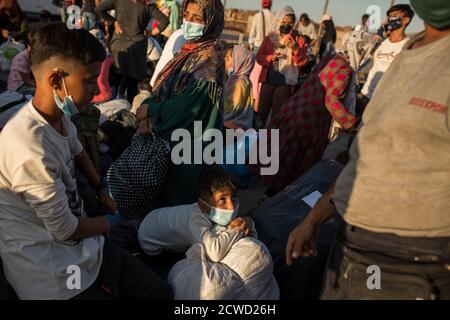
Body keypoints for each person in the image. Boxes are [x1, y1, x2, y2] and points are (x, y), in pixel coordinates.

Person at [286, 0, 450, 300]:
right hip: (349, 247)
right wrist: (314, 218)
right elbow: (367, 155)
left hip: (411, 263)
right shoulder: (406, 54)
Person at [0, 23, 170, 300]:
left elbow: (78, 150)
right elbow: (66, 230)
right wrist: (112, 221)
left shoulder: (59, 117)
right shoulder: (28, 147)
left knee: (159, 292)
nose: (96, 90)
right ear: (57, 80)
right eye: (89, 80)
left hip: (86, 245)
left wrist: (100, 187)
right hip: (53, 274)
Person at [136, 0, 225, 207]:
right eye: (187, 16)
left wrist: (151, 110)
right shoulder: (189, 51)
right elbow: (166, 86)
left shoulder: (210, 58)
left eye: (197, 18)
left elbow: (189, 108)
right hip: (174, 140)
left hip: (190, 145)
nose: (189, 22)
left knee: (178, 204)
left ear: (211, 21)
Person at [254, 39, 367, 198]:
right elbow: (331, 101)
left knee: (280, 160)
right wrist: (351, 125)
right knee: (293, 166)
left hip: (296, 108)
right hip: (310, 120)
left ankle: (268, 197)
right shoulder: (344, 68)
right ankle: (275, 204)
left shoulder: (332, 59)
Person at [138, 165, 254, 260]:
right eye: (222, 200)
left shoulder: (209, 212)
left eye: (233, 198)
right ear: (203, 205)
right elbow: (214, 253)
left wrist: (247, 221)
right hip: (148, 241)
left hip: (155, 217)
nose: (231, 207)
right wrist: (237, 229)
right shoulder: (195, 220)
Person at [96, 0, 169, 103]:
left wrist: (113, 21)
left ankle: (116, 104)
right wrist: (151, 32)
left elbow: (99, 9)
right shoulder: (147, 6)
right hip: (137, 48)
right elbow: (164, 21)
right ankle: (129, 109)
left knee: (118, 77)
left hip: (118, 45)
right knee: (132, 82)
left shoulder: (119, 1)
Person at [257, 6, 309, 126]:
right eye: (284, 22)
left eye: (290, 22)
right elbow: (259, 56)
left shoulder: (298, 39)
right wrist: (270, 58)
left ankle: (272, 143)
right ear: (278, 21)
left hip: (285, 83)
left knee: (277, 117)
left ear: (294, 23)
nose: (286, 25)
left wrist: (295, 48)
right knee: (261, 114)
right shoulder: (271, 37)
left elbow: (303, 61)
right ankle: (254, 141)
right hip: (268, 79)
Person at [360, 4, 414, 106]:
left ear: (406, 20)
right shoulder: (381, 44)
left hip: (386, 100)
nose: (390, 18)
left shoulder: (409, 46)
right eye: (389, 16)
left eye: (394, 15)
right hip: (366, 95)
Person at [223, 45, 255, 130]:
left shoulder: (239, 83)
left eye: (228, 58)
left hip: (231, 127)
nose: (225, 60)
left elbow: (232, 109)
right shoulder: (240, 80)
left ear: (238, 61)